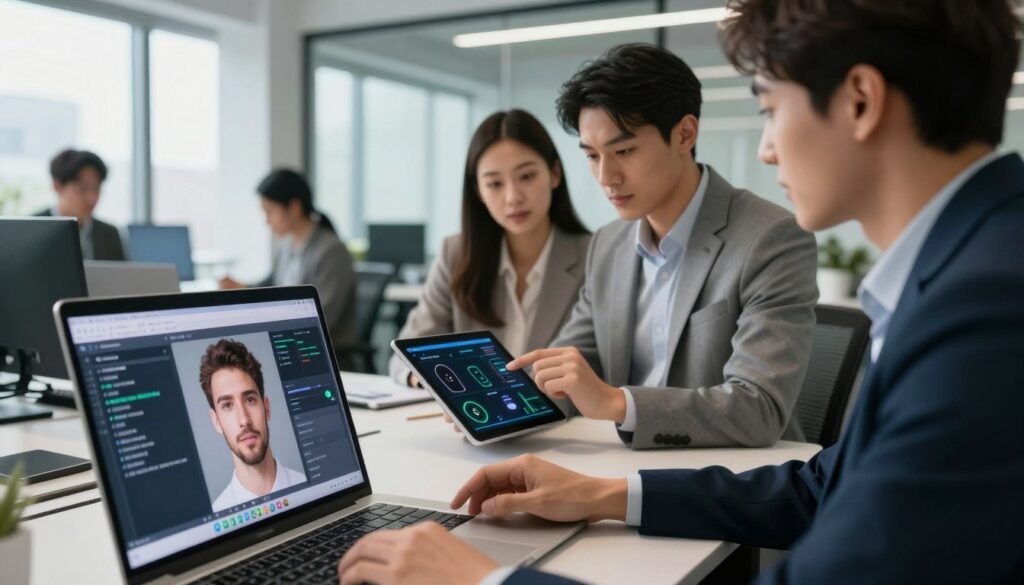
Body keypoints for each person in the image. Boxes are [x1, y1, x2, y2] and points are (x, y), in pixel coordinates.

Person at [335, 0, 1024, 583]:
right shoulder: (967, 272)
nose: (765, 149)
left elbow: (762, 419)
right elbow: (821, 484)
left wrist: (486, 578)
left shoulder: (986, 311)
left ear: (860, 100)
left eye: (768, 107)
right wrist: (604, 493)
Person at [508, 43, 818, 449]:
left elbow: (758, 409)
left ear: (685, 134)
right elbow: (571, 369)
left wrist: (616, 402)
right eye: (592, 156)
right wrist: (499, 407)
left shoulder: (771, 237)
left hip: (728, 484)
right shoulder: (608, 245)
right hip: (621, 469)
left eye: (624, 151)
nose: (607, 177)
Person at [388, 109, 591, 387]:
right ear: (478, 192)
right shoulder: (456, 253)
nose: (513, 197)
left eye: (527, 176)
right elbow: (403, 356)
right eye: (494, 184)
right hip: (474, 423)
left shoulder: (595, 256)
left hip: (567, 425)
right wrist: (429, 380)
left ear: (554, 174)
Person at [219, 169, 357, 369]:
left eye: (270, 211)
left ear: (294, 207)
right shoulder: (286, 246)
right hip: (290, 345)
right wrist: (243, 287)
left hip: (324, 352)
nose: (266, 220)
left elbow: (325, 316)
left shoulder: (331, 250)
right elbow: (272, 285)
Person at [199, 339, 306, 511]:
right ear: (216, 422)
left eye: (250, 400)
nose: (244, 420)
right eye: (227, 405)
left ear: (267, 408)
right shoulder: (218, 511)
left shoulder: (307, 485)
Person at [35, 148, 125, 261]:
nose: (91, 198)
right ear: (57, 186)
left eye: (96, 189)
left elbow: (122, 277)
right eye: (83, 189)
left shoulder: (109, 234)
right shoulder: (33, 229)